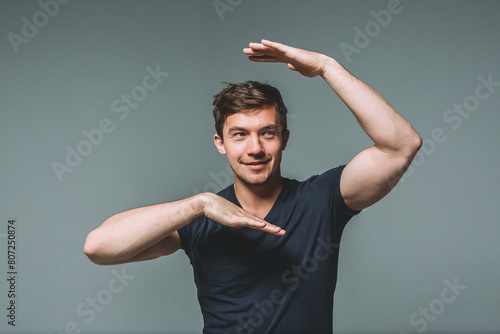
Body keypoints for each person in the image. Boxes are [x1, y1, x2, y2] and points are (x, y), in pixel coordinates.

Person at [84, 40, 422, 333]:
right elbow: (98, 247)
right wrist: (198, 204)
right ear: (221, 143)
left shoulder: (322, 200)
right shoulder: (200, 216)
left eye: (267, 132)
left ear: (284, 139)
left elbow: (401, 145)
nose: (255, 148)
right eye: (240, 134)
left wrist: (325, 66)